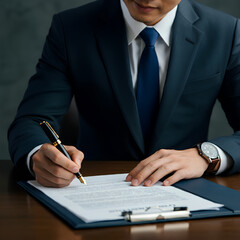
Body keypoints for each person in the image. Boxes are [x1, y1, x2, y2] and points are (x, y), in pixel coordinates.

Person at [8, 0, 240, 188]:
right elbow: (32, 120)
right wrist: (38, 156)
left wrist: (205, 156)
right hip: (92, 188)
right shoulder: (71, 28)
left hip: (187, 191)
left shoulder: (225, 33)